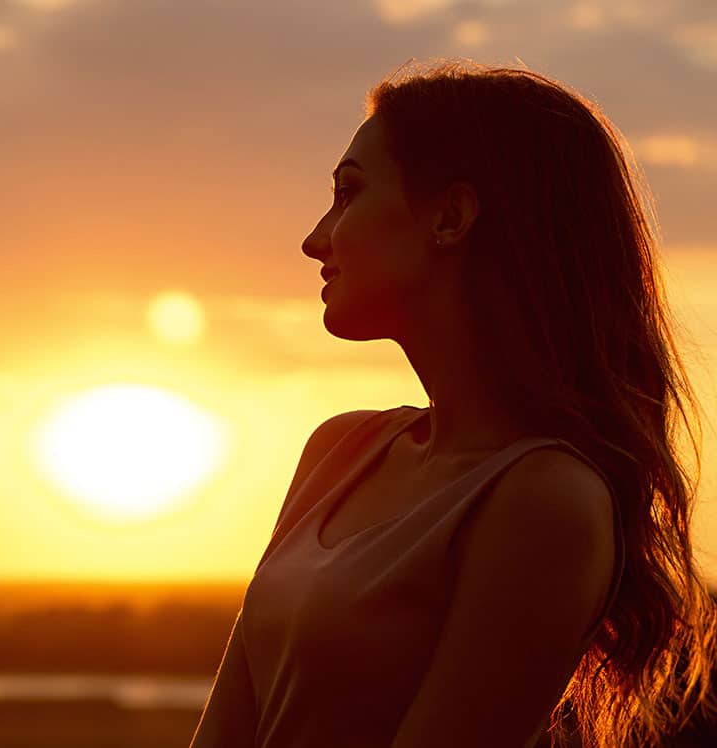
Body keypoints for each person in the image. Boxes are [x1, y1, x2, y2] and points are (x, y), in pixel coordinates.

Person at [188, 58, 717, 748]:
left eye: (348, 194)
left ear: (451, 218)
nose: (315, 238)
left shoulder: (543, 499)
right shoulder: (340, 450)